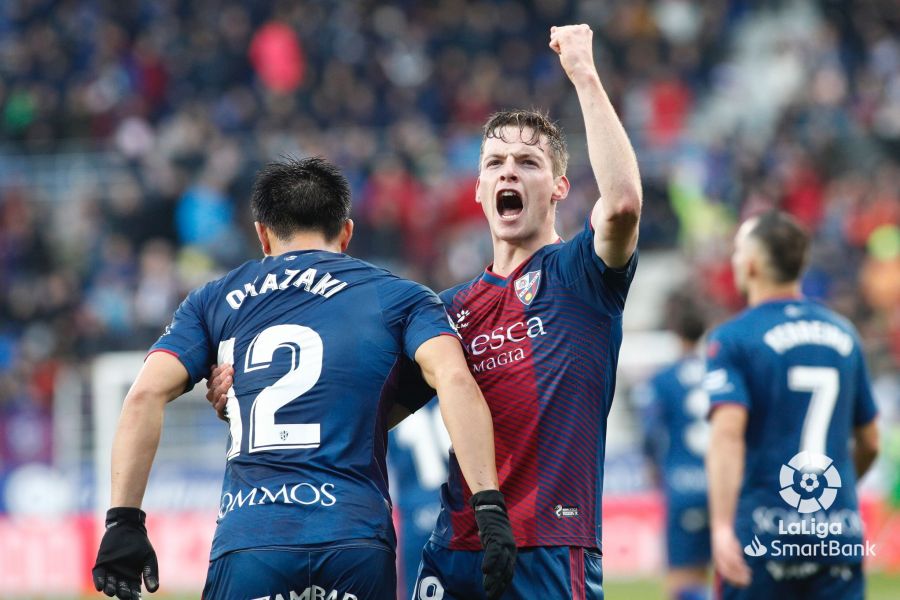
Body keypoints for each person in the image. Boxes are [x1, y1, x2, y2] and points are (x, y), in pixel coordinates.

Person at [210, 23, 641, 598]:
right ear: (479, 190)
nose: (509, 170)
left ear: (560, 188)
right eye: (495, 163)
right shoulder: (449, 308)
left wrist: (584, 74)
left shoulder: (580, 276)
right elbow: (361, 416)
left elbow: (623, 205)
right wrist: (248, 404)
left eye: (528, 163)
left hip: (548, 541)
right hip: (455, 546)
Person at [90, 157, 516, 600]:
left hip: (251, 538)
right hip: (353, 537)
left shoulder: (213, 300)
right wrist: (487, 503)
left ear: (262, 235)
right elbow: (454, 378)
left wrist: (124, 519)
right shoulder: (401, 297)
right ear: (347, 233)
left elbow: (143, 395)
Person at [706, 210, 880, 600]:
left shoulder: (733, 339)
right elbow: (870, 442)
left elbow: (728, 436)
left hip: (764, 533)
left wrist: (719, 528)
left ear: (750, 265)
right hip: (837, 534)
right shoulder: (845, 334)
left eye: (737, 251)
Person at [633, 291, 712, 600]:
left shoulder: (662, 380)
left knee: (681, 577)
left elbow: (650, 431)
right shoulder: (721, 374)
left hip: (683, 484)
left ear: (675, 335)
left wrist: (651, 464)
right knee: (721, 571)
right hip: (721, 485)